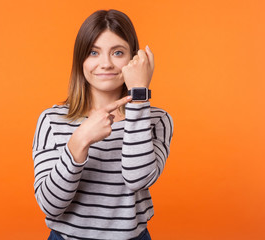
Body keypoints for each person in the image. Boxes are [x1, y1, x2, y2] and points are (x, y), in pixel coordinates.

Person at [32, 9, 173, 240]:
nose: (105, 63)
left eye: (118, 52)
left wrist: (139, 97)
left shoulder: (157, 119)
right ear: (81, 60)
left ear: (133, 60)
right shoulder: (52, 120)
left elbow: (137, 178)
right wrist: (79, 142)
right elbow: (50, 206)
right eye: (93, 52)